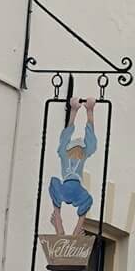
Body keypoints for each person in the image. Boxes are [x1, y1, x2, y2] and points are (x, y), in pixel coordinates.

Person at [48, 98, 98, 235]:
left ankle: (77, 231)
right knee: (54, 184)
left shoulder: (83, 155)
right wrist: (74, 111)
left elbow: (91, 141)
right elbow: (65, 136)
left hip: (77, 188)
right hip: (65, 186)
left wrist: (90, 111)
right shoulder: (64, 154)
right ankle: (58, 220)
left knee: (87, 200)